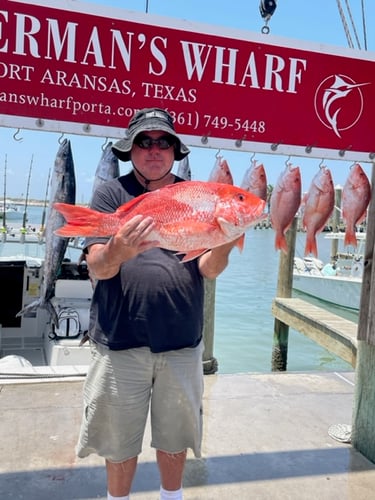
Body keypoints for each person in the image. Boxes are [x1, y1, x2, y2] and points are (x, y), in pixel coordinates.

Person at [76, 108, 239, 500]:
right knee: (118, 441)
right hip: (119, 341)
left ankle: (172, 497)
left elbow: (209, 268)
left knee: (174, 435)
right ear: (130, 149)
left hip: (181, 341)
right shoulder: (111, 194)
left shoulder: (196, 196)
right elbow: (97, 265)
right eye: (144, 142)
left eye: (163, 141)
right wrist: (118, 247)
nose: (154, 149)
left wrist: (227, 239)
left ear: (174, 150)